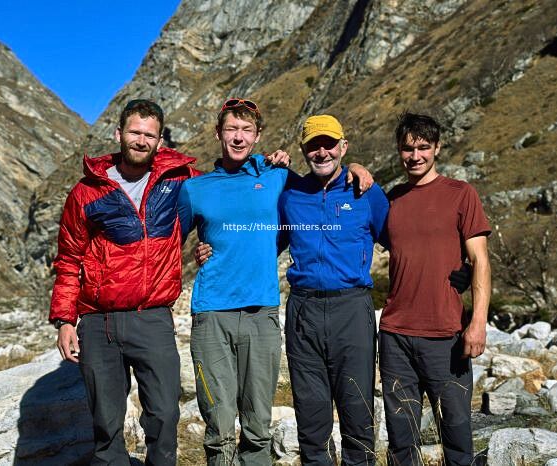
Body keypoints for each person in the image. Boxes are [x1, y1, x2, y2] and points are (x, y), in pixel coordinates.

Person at [178, 99, 373, 465]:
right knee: (218, 426)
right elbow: (168, 241)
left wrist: (357, 167)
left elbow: (322, 183)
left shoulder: (277, 176)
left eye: (246, 130)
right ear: (219, 133)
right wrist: (194, 253)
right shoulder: (196, 189)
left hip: (262, 313)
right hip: (211, 314)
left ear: (257, 136)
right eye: (231, 129)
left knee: (257, 427)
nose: (238, 137)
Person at [49, 99, 199, 465]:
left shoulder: (179, 180)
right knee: (106, 425)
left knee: (164, 416)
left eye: (150, 134)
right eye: (134, 132)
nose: (141, 140)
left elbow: (228, 190)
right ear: (119, 134)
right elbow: (68, 260)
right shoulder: (86, 192)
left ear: (160, 140)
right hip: (100, 325)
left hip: (153, 318)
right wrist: (65, 321)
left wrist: (269, 164)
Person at [379, 112, 491, 466]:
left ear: (437, 148)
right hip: (395, 335)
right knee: (400, 437)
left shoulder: (461, 194)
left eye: (423, 147)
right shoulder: (391, 199)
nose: (416, 156)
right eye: (408, 149)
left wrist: (478, 322)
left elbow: (481, 262)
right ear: (399, 151)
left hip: (447, 335)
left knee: (457, 433)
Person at [277, 115, 388, 465]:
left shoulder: (366, 191)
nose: (321, 151)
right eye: (313, 145)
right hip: (303, 312)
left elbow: (403, 243)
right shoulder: (290, 195)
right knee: (311, 419)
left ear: (343, 146)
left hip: (352, 309)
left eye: (329, 144)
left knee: (357, 414)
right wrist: (210, 247)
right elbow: (265, 244)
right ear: (303, 150)